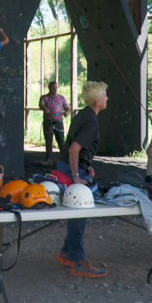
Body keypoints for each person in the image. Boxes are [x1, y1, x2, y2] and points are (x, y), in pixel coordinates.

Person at [54, 81, 108, 278]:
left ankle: (67, 253)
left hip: (68, 166)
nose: (107, 98)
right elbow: (74, 149)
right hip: (71, 170)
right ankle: (78, 261)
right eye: (104, 95)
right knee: (79, 214)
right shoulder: (92, 121)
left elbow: (77, 148)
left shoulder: (83, 114)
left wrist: (86, 164)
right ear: (97, 101)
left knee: (76, 213)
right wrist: (76, 175)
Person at [39, 81, 70, 164]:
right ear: (49, 88)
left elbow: (67, 108)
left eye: (56, 87)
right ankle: (48, 159)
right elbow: (41, 105)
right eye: (53, 87)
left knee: (61, 141)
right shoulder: (44, 98)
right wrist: (45, 109)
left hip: (58, 122)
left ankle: (64, 159)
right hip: (48, 122)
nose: (55, 89)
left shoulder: (61, 98)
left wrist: (67, 112)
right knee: (49, 141)